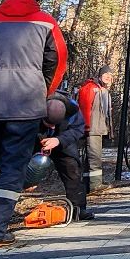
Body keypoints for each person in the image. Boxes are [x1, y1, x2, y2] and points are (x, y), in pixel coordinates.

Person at [0, 0, 67, 246]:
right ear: (36, 1)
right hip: (25, 104)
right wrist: (43, 90)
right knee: (13, 166)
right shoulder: (46, 22)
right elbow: (58, 61)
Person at [40, 82, 91, 220]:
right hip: (36, 136)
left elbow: (78, 129)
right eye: (47, 123)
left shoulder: (73, 109)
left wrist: (58, 140)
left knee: (72, 168)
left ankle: (78, 209)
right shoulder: (34, 101)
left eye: (53, 124)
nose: (51, 127)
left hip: (63, 138)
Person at [76, 68, 113, 190]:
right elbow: (85, 107)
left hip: (98, 127)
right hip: (93, 128)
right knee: (94, 156)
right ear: (100, 75)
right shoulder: (91, 88)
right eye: (106, 74)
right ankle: (95, 185)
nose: (108, 77)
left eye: (110, 75)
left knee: (91, 156)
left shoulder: (103, 90)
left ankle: (88, 183)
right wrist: (86, 126)